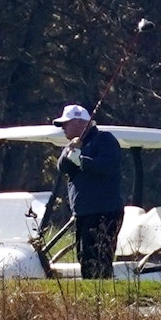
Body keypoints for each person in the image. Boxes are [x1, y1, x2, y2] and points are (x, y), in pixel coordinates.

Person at [53, 104, 124, 279]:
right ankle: (92, 300)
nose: (63, 128)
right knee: (85, 258)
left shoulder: (104, 140)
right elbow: (62, 167)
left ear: (79, 122)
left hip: (104, 212)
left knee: (98, 260)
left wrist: (82, 160)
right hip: (84, 213)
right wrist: (71, 150)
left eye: (66, 124)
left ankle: (102, 299)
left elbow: (108, 166)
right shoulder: (75, 144)